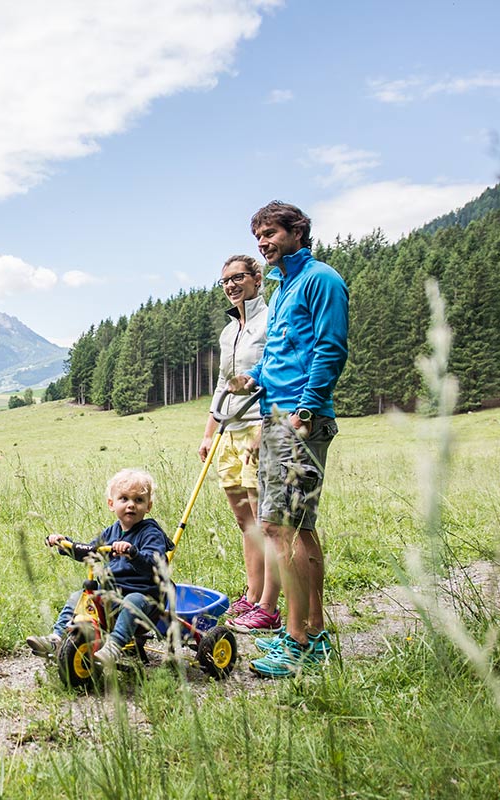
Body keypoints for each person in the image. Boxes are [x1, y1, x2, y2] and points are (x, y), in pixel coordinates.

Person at [227, 201, 348, 678]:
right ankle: (312, 631)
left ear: (297, 232)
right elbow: (280, 354)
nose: (263, 242)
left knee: (283, 528)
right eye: (258, 235)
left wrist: (305, 412)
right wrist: (252, 378)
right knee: (296, 527)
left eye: (271, 232)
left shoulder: (321, 280)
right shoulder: (283, 289)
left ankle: (298, 641)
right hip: (277, 416)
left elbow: (329, 348)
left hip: (298, 419)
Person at [196, 255, 277, 634]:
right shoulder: (229, 332)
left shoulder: (271, 320)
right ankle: (251, 594)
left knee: (265, 521)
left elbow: (276, 374)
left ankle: (267, 606)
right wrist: (209, 432)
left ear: (257, 279)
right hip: (228, 431)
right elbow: (222, 384)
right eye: (225, 280)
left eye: (238, 277)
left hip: (257, 426)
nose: (230, 285)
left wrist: (266, 426)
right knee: (246, 522)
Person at [25, 469, 172, 670]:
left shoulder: (151, 533)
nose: (131, 504)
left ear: (148, 506)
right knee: (78, 597)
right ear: (112, 504)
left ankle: (114, 646)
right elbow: (90, 551)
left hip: (147, 597)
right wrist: (64, 543)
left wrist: (133, 553)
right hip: (113, 593)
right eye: (124, 499)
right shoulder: (111, 532)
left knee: (132, 601)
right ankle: (56, 638)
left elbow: (155, 564)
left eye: (138, 500)